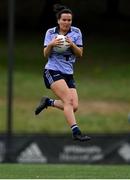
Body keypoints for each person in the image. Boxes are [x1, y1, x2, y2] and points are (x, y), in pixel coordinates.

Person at [35, 4, 91, 142]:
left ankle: (48, 102)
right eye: (64, 20)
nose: (66, 22)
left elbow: (80, 54)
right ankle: (76, 131)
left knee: (74, 106)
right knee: (68, 101)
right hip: (52, 70)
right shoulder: (50, 33)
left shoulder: (76, 32)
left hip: (68, 73)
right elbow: (45, 54)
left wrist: (72, 44)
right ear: (58, 21)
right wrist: (52, 44)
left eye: (69, 20)